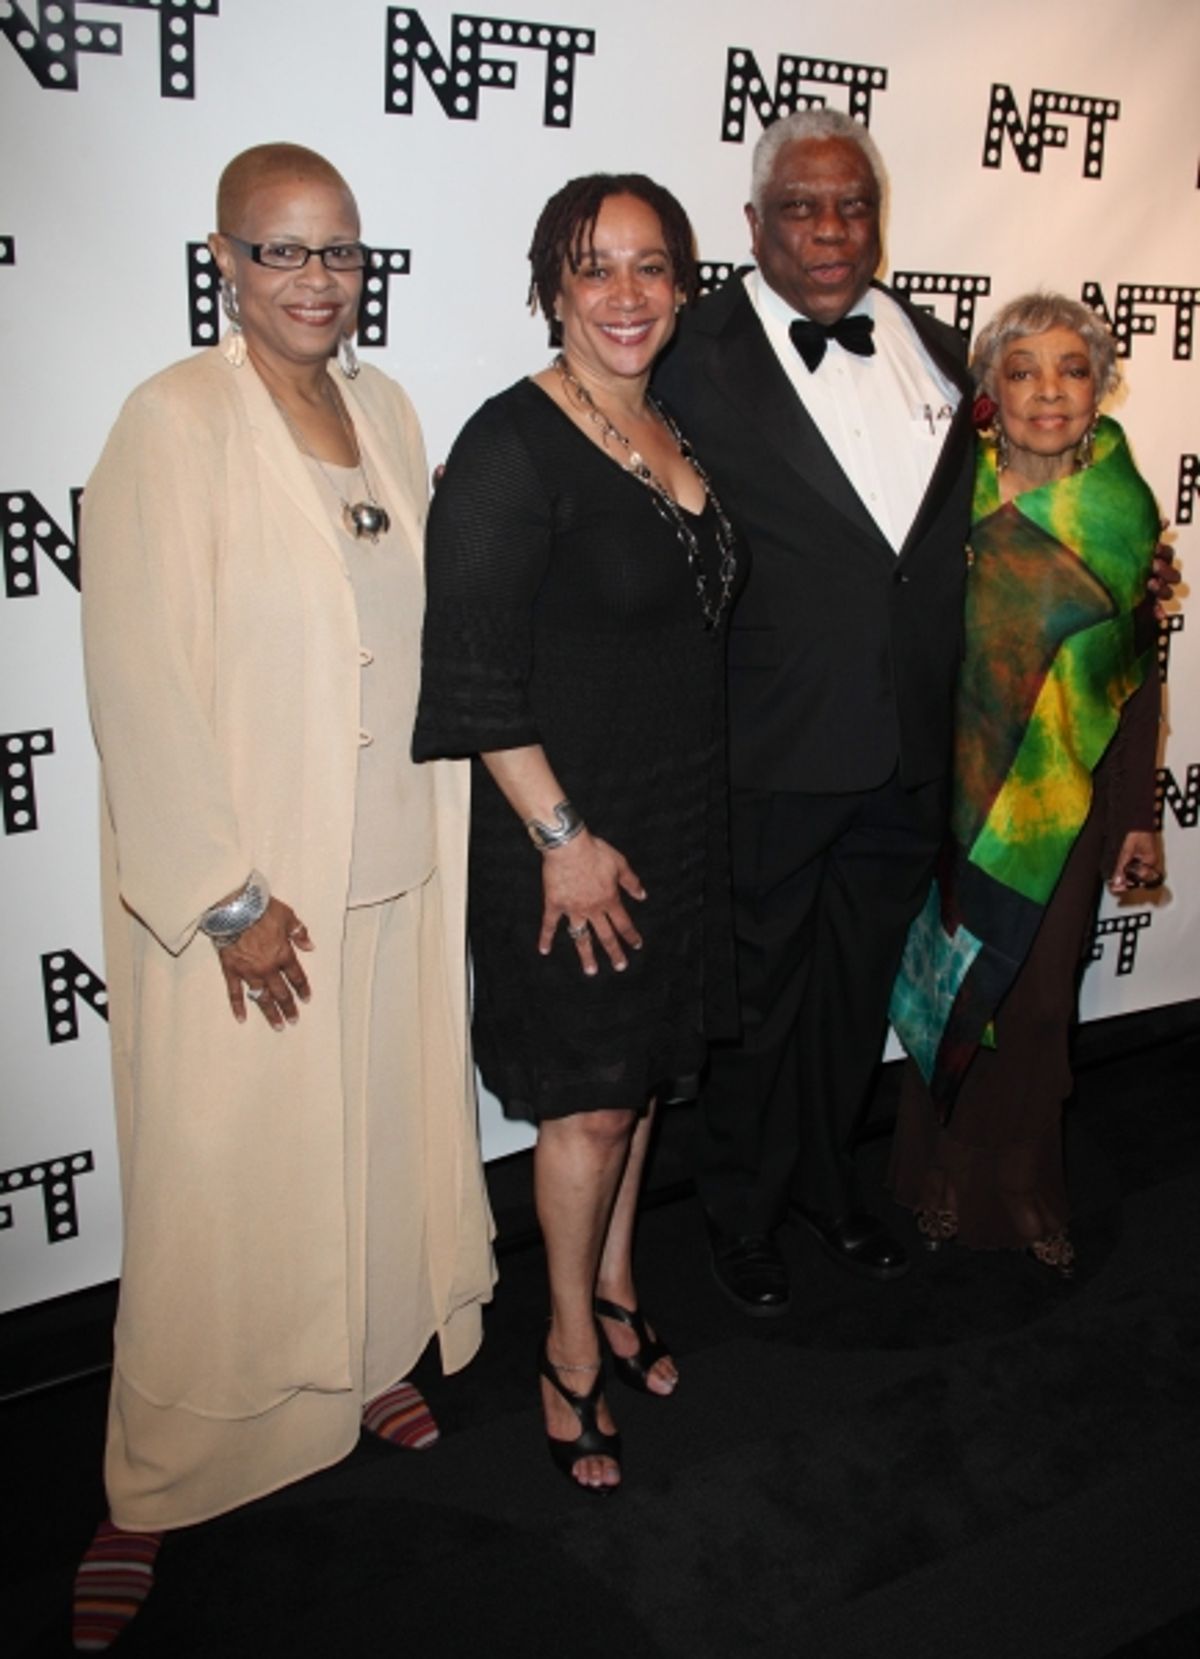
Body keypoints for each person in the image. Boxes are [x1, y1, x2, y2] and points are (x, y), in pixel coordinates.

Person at [73, 143, 494, 1649]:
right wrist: (227, 892)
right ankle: (153, 1480)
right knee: (219, 1192)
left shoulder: (386, 412)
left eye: (337, 251)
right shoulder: (171, 423)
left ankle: (365, 1359)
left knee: (374, 1147)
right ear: (225, 262)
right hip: (257, 896)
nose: (315, 279)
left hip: (390, 859)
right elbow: (136, 674)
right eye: (280, 252)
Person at [414, 175, 741, 1491]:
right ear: (552, 284)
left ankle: (614, 1284)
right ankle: (565, 1353)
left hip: (674, 809)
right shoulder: (510, 442)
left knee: (642, 1079)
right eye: (594, 267)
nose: (625, 293)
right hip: (568, 833)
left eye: (651, 266)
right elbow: (474, 672)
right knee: (590, 1109)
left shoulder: (669, 421)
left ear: (681, 284)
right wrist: (561, 834)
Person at [654, 109, 976, 1311]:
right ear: (753, 225)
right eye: (801, 207)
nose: (831, 230)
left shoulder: (939, 345)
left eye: (852, 206)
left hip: (907, 746)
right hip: (772, 744)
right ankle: (739, 1212)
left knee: (853, 990)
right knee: (759, 997)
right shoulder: (689, 353)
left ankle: (828, 1187)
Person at [888, 293, 1163, 1275]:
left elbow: (1135, 678)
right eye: (1024, 369)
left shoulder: (1122, 515)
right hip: (945, 797)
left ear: (1099, 388)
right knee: (953, 993)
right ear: (989, 390)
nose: (1050, 391)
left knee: (1040, 1005)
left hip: (1059, 812)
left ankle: (1027, 1189)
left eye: (1073, 369)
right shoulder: (943, 494)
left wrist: (1137, 817)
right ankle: (938, 1180)